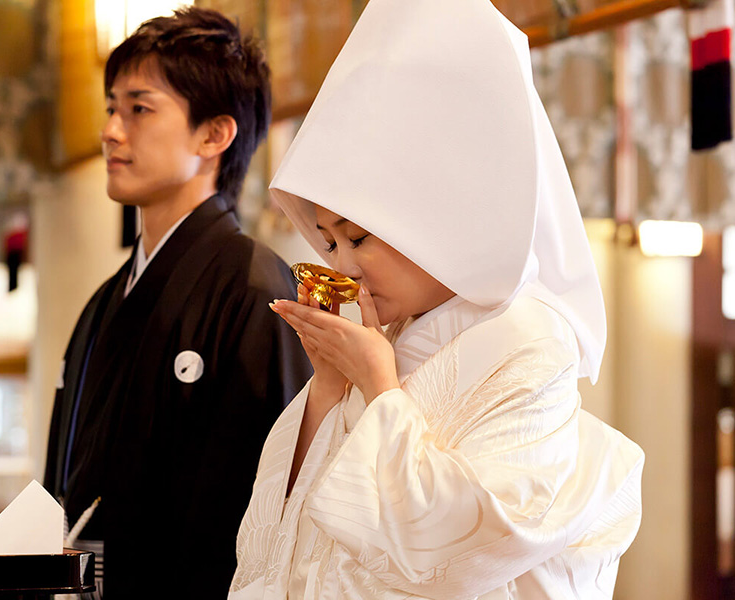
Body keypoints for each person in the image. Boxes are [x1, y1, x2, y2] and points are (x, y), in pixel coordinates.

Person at [229, 0, 644, 598]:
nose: (341, 266)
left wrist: (378, 387)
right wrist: (328, 384)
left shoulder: (530, 340)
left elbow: (469, 548)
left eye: (359, 238)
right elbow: (287, 536)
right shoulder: (391, 329)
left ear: (435, 214)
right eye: (329, 241)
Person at [43, 8, 312, 598]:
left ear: (214, 134)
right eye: (112, 107)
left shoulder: (255, 289)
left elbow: (274, 506)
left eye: (139, 109)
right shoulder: (104, 301)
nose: (112, 130)